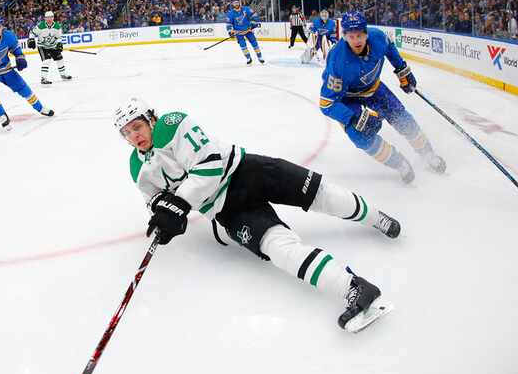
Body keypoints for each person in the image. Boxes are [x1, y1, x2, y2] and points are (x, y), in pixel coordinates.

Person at [113, 97, 399, 332]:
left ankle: (377, 217)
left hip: (247, 172)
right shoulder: (137, 167)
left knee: (320, 193)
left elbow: (210, 165)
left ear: (151, 119)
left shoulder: (170, 125)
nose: (134, 136)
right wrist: (162, 212)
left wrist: (180, 202)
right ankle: (354, 287)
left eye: (137, 126)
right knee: (279, 248)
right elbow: (153, 199)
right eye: (126, 133)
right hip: (228, 210)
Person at [319, 11, 446, 183]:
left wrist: (402, 71)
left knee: (402, 118)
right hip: (347, 100)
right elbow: (326, 103)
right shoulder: (338, 61)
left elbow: (390, 49)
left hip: (373, 88)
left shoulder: (378, 37)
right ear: (345, 36)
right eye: (351, 36)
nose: (356, 40)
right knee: (360, 136)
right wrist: (352, 117)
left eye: (359, 35)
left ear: (366, 33)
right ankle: (399, 163)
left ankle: (428, 153)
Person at [0, 16, 54, 131]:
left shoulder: (8, 35)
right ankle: (2, 116)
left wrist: (20, 57)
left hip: (6, 69)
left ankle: (40, 108)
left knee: (23, 87)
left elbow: (15, 48)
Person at [28, 10, 72, 85]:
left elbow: (59, 37)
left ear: (53, 18)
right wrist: (31, 39)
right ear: (45, 18)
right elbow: (32, 33)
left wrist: (59, 44)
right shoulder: (41, 26)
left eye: (51, 17)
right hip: (42, 47)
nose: (49, 19)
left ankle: (63, 75)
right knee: (47, 61)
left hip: (53, 46)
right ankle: (43, 78)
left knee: (60, 59)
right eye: (47, 17)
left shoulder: (57, 26)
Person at [226, 0, 264, 65]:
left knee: (255, 44)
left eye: (237, 2)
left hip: (248, 30)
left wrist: (255, 23)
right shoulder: (230, 13)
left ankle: (260, 57)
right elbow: (229, 24)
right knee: (243, 46)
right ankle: (248, 58)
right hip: (238, 32)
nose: (236, 4)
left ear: (239, 3)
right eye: (235, 3)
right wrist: (230, 32)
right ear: (232, 4)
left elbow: (254, 15)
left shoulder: (246, 9)